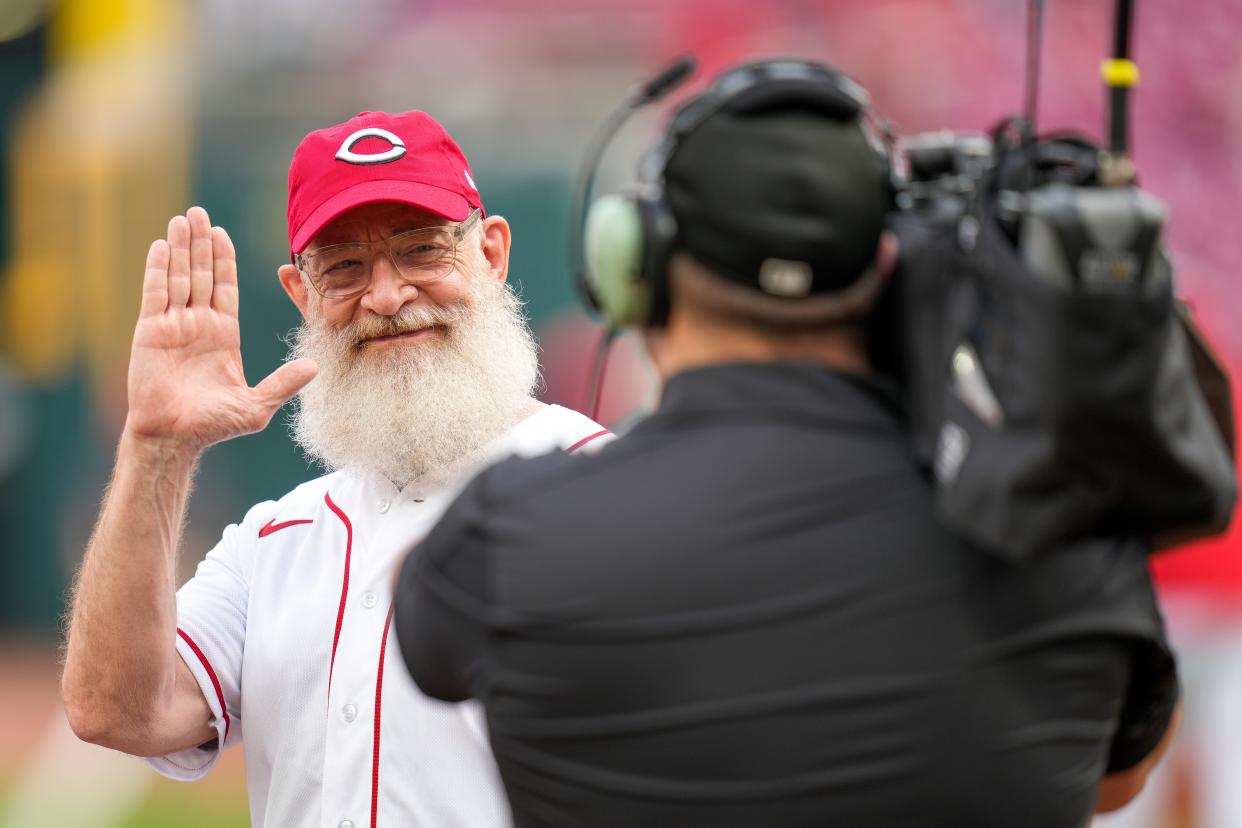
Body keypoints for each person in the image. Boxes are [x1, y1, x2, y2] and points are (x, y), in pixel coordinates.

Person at [391, 60, 1181, 827]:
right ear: (891, 261)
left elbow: (429, 649)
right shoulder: (1065, 535)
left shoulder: (510, 537)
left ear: (638, 266)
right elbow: (1117, 778)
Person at [60, 109, 612, 828]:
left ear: (493, 254)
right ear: (302, 293)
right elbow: (115, 711)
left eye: (421, 251)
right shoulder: (274, 542)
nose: (385, 296)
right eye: (345, 267)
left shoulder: (608, 491)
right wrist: (156, 449)